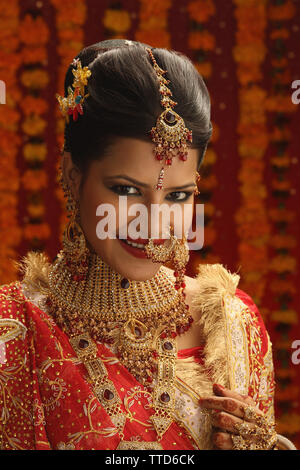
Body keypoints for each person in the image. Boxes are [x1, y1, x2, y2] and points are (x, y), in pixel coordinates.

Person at [0, 39, 296, 451]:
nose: (154, 221)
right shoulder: (14, 330)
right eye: (125, 189)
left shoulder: (232, 325)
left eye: (176, 196)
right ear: (72, 175)